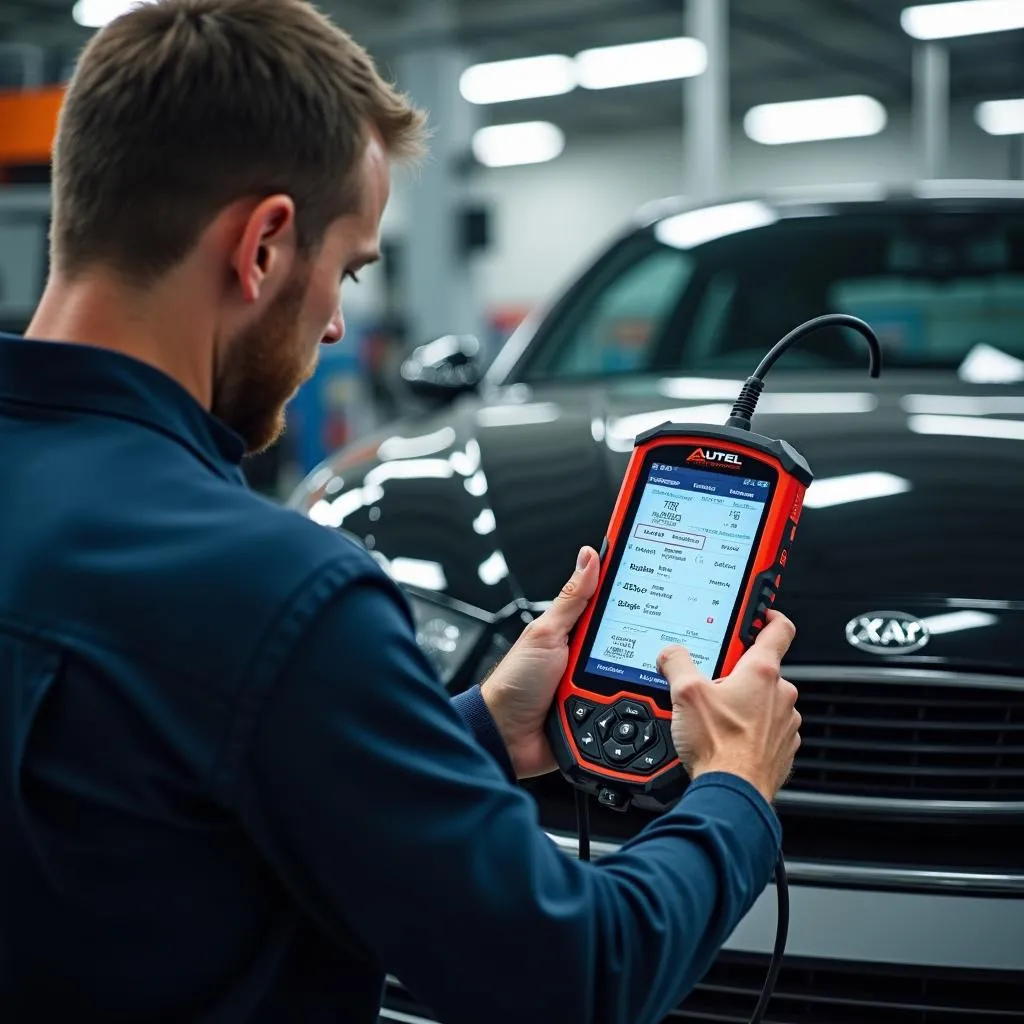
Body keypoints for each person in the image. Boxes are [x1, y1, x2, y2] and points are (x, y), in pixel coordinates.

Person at [0, 2, 802, 1022]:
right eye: (347, 270)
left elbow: (173, 801)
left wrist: (476, 732)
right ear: (263, 246)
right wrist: (734, 786)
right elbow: (577, 972)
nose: (336, 321)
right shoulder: (280, 593)